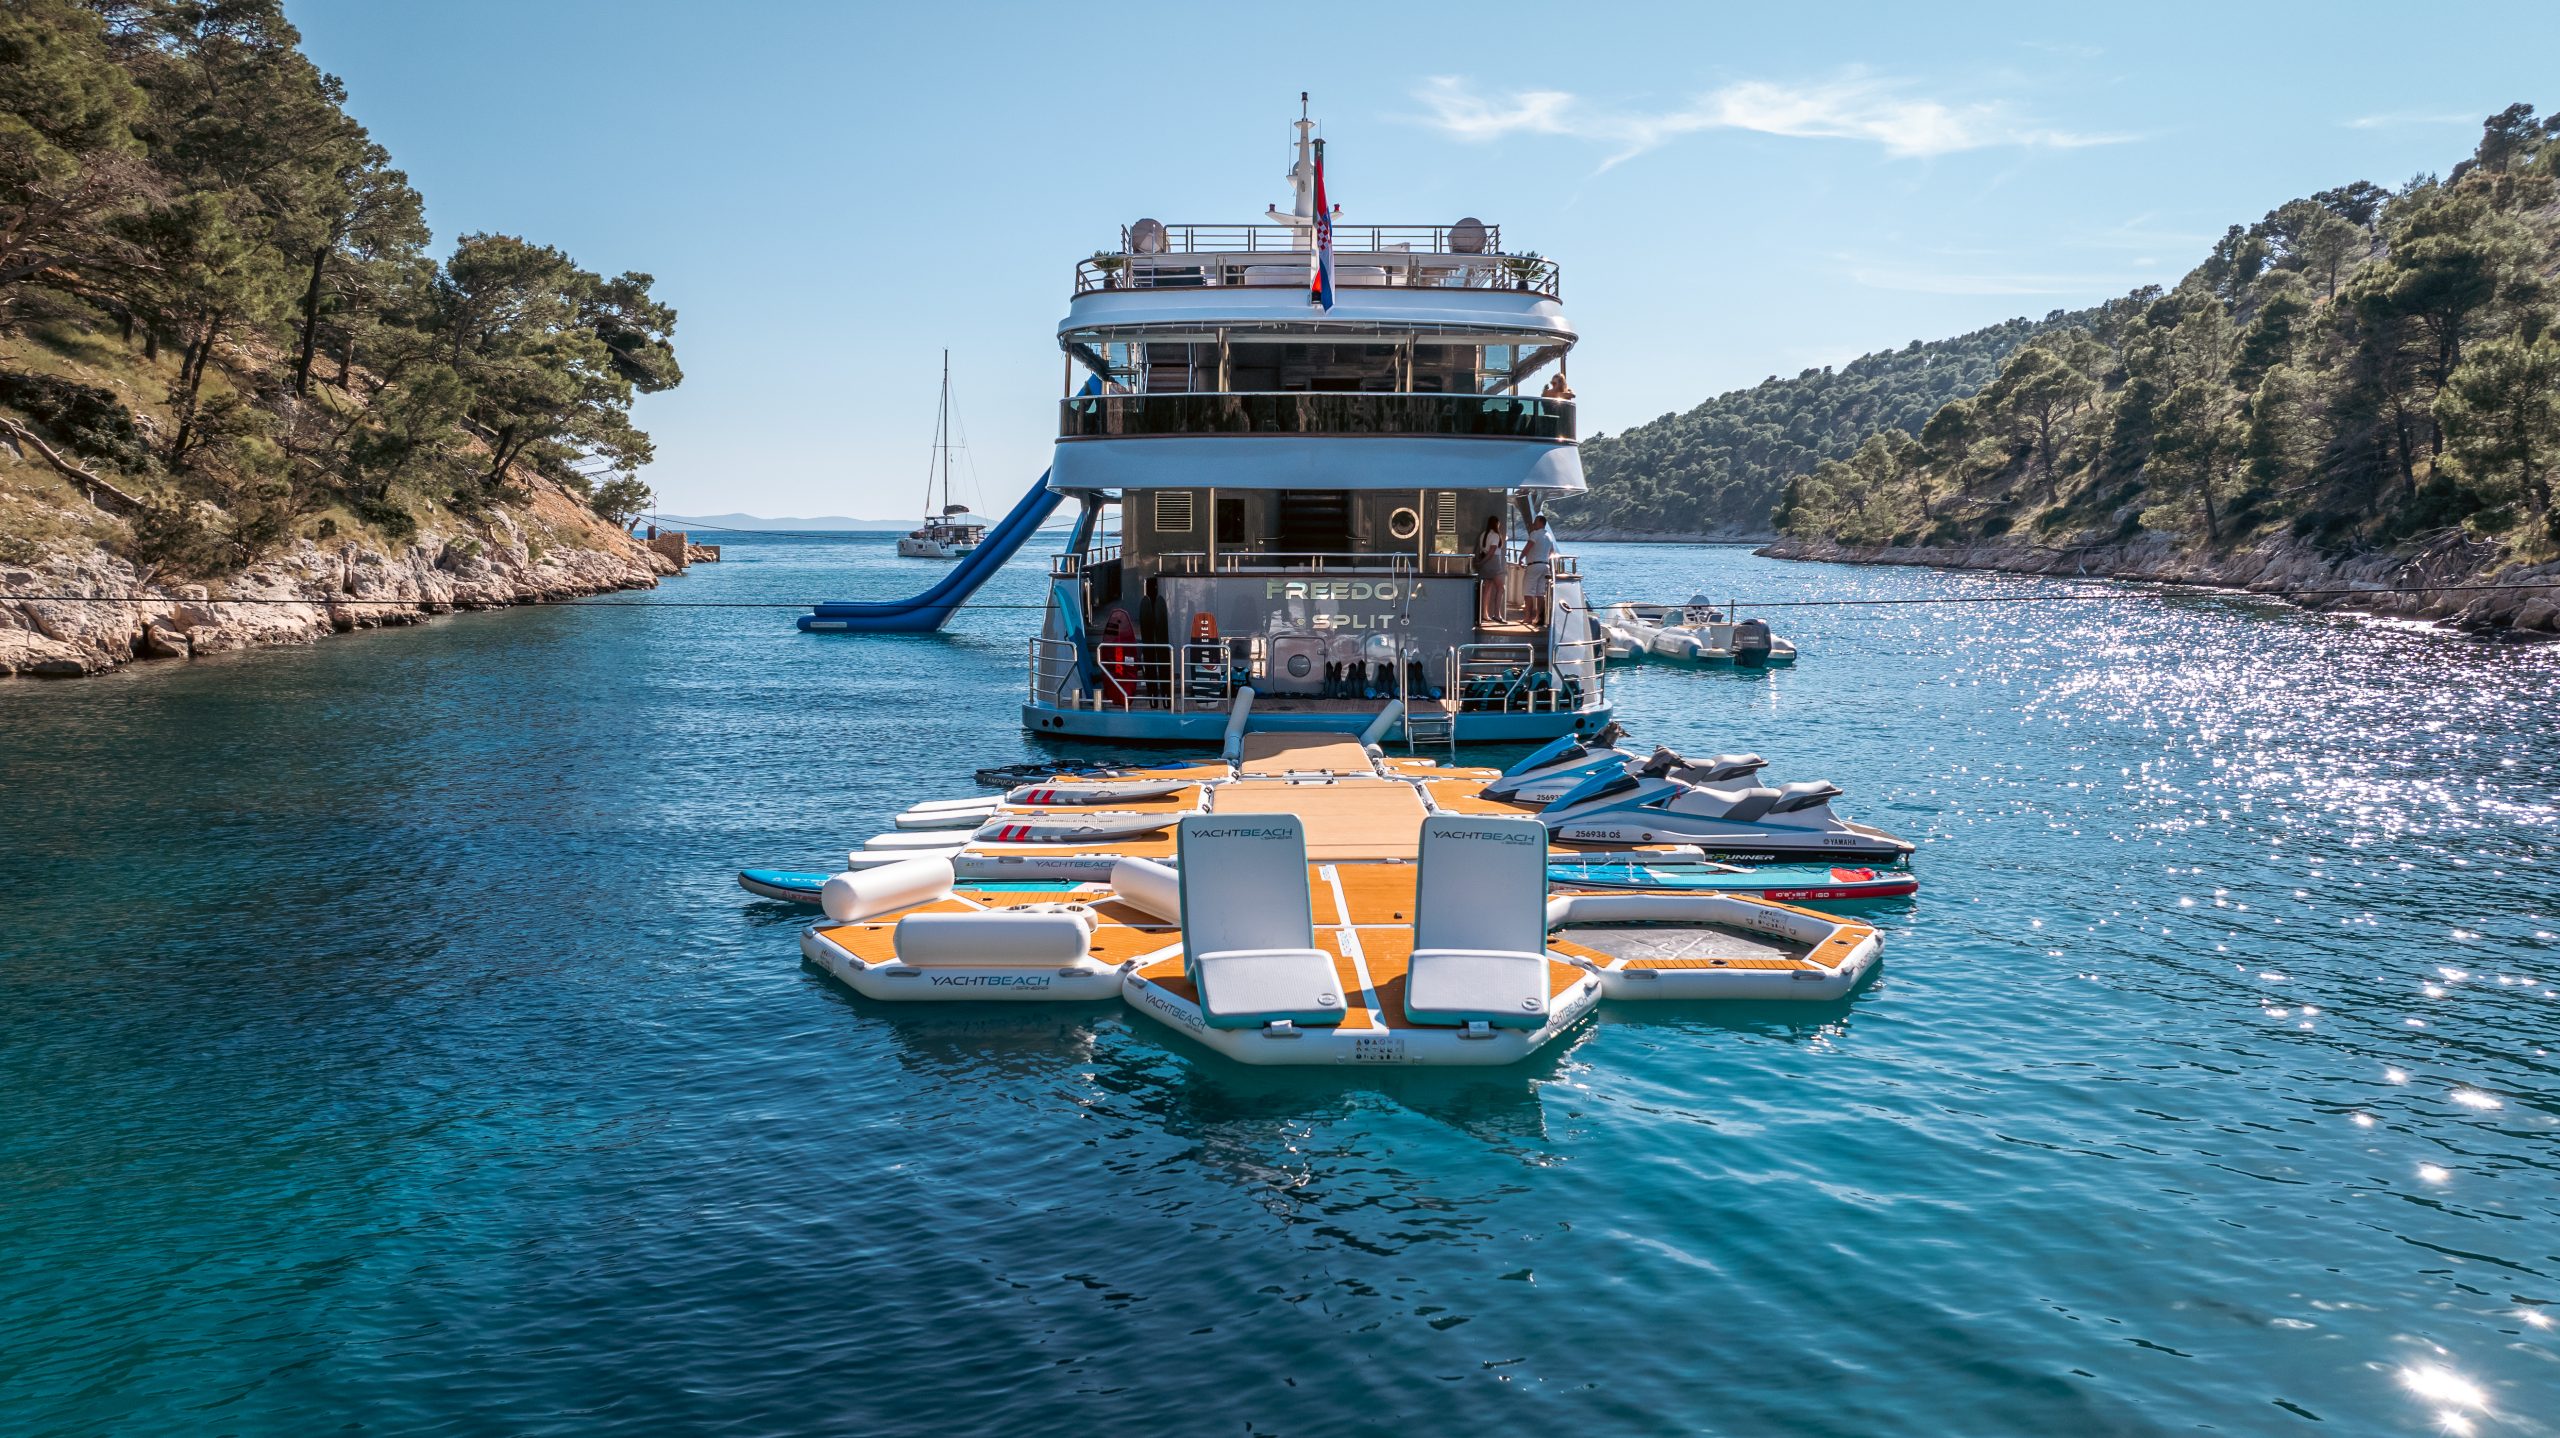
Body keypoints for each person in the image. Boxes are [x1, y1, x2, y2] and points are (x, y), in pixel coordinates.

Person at [1520, 514, 1557, 630]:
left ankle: (1528, 617)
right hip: (1545, 566)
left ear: (1541, 523)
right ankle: (1538, 618)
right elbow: (1552, 552)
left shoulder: (1535, 534)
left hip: (1534, 565)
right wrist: (1544, 557)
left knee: (1528, 592)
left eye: (1535, 522)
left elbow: (1528, 547)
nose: (1533, 524)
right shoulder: (1549, 536)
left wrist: (1520, 557)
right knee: (1540, 593)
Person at [1474, 514, 1508, 628]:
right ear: (1496, 524)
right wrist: (1482, 563)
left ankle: (1484, 614)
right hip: (1493, 563)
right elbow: (1492, 552)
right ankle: (1497, 615)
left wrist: (1481, 563)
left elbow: (1483, 550)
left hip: (1485, 564)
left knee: (1487, 588)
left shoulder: (1483, 534)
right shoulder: (1496, 535)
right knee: (1501, 588)